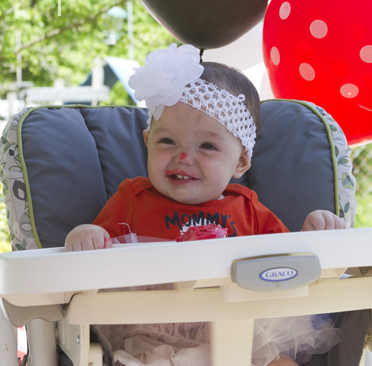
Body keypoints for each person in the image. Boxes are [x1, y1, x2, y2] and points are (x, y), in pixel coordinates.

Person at [65, 43, 345, 366]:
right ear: (147, 142)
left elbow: (289, 266)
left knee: (280, 363)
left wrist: (311, 237)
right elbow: (90, 262)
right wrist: (86, 235)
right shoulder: (132, 199)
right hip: (156, 340)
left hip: (243, 336)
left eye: (208, 146)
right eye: (167, 141)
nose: (183, 157)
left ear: (241, 162)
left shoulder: (249, 210)